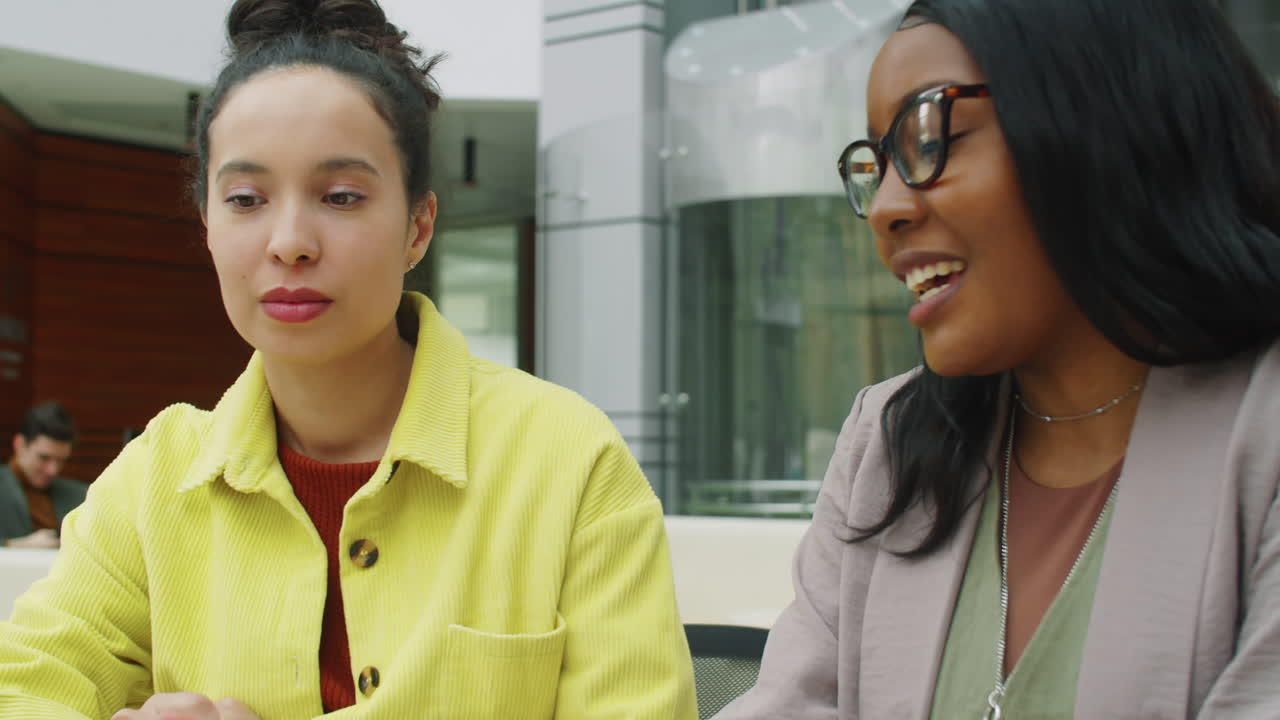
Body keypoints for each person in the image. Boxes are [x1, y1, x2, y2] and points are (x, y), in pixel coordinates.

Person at [0, 1, 696, 718]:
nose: (289, 242)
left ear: (418, 227)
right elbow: (24, 688)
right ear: (208, 225)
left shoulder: (567, 462)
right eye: (246, 199)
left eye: (340, 196)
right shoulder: (154, 481)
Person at [715, 0, 1280, 718]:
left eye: (929, 137)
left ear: (1109, 120)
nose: (885, 207)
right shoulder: (887, 443)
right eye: (877, 164)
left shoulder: (1261, 434)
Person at [0, 402, 86, 549]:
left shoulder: (80, 494)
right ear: (20, 445)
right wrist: (15, 545)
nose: (52, 470)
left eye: (61, 460)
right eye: (44, 458)